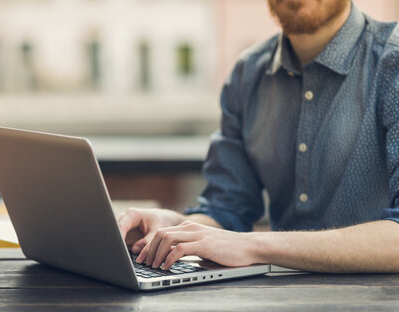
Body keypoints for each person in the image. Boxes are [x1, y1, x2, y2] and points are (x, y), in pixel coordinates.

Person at [118, 0, 399, 275]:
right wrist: (175, 227)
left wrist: (252, 245)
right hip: (277, 306)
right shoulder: (248, 74)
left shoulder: (393, 63)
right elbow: (227, 209)